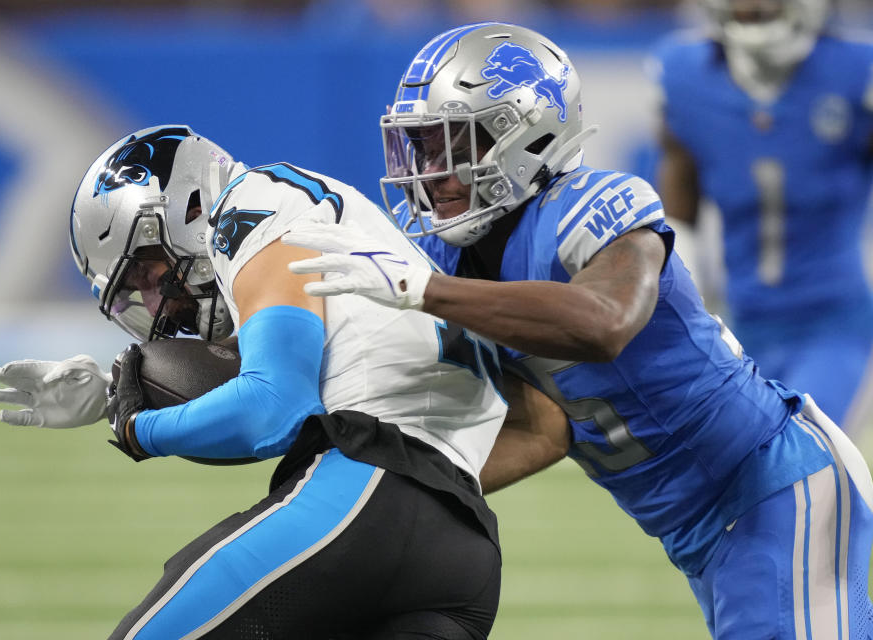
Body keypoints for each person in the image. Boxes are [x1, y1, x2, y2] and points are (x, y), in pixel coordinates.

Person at [281, 21, 873, 638]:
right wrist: (390, 496)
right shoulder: (452, 257)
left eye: (456, 145)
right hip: (703, 527)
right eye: (424, 148)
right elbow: (547, 426)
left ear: (526, 138)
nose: (435, 172)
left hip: (770, 483)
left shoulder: (590, 208)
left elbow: (605, 324)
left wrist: (427, 292)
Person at [0, 123, 562, 639]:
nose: (158, 302)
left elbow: (272, 406)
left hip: (362, 503)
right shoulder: (333, 223)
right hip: (464, 556)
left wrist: (137, 428)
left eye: (147, 270)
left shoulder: (250, 204)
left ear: (184, 206)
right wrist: (113, 392)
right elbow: (546, 429)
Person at [652, 0, 873, 435]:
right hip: (739, 328)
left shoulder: (854, 72)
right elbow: (680, 218)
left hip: (832, 325)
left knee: (805, 448)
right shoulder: (685, 74)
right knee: (730, 474)